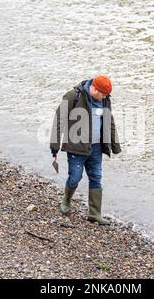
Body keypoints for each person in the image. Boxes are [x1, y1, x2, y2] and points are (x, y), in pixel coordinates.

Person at [50, 75, 121, 225]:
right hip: (77, 147)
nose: (104, 98)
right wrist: (54, 144)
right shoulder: (73, 96)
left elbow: (109, 121)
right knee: (75, 177)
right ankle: (66, 201)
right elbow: (59, 120)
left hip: (96, 147)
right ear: (94, 88)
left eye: (106, 95)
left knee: (96, 177)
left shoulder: (104, 100)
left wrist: (115, 145)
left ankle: (95, 214)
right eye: (102, 94)